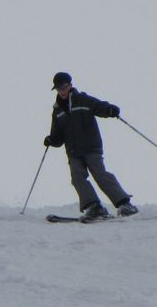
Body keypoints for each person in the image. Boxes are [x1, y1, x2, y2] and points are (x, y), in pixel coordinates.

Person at [43, 72, 137, 220]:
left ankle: (124, 204)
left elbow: (99, 107)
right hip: (73, 151)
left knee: (100, 174)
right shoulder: (57, 110)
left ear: (70, 85)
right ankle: (94, 207)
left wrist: (110, 110)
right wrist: (51, 140)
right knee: (77, 177)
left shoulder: (83, 100)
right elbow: (57, 136)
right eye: (58, 88)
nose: (61, 91)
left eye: (64, 87)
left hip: (91, 146)